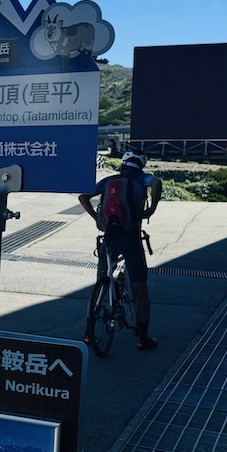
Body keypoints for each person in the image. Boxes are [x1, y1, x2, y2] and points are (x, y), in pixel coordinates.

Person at [79, 150, 163, 350]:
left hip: (109, 237)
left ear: (123, 163)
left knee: (101, 280)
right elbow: (157, 183)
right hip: (131, 237)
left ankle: (89, 334)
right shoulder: (141, 179)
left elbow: (83, 197)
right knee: (140, 287)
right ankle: (143, 338)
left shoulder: (110, 180)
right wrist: (152, 208)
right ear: (141, 164)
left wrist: (96, 219)